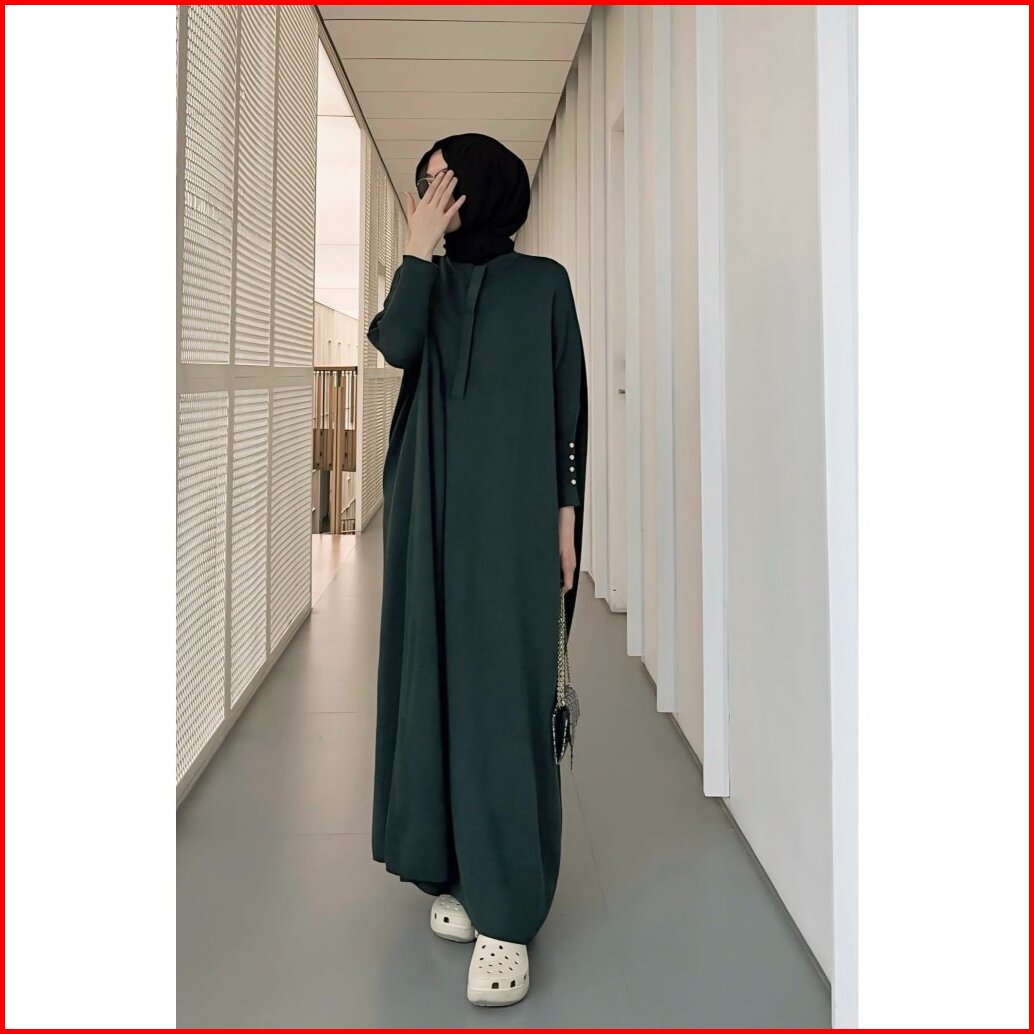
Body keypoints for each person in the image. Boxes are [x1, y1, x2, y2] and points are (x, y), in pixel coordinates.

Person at [366, 132, 588, 1008]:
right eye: (422, 185)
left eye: (444, 183)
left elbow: (567, 410)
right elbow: (394, 346)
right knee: (436, 690)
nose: (431, 197)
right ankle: (452, 869)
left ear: (485, 187)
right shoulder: (426, 282)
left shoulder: (544, 285)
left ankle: (509, 915)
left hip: (513, 529)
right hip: (427, 520)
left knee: (502, 702)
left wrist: (567, 518)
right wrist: (415, 251)